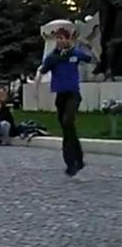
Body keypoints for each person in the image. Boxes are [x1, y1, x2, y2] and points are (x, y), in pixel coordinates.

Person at [38, 28, 94, 176]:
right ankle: (74, 162)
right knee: (67, 129)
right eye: (58, 38)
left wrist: (88, 48)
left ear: (68, 39)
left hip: (73, 94)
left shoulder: (75, 53)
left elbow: (91, 59)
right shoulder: (53, 57)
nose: (61, 41)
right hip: (60, 96)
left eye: (63, 38)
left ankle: (76, 161)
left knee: (68, 121)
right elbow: (43, 70)